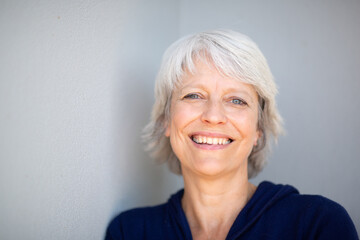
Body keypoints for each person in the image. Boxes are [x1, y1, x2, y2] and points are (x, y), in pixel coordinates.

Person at [105, 30, 358, 240]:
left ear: (258, 129)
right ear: (166, 120)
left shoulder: (317, 225)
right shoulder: (129, 232)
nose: (213, 115)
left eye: (236, 100)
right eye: (194, 95)